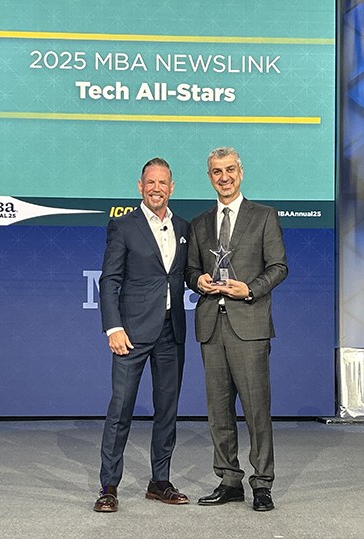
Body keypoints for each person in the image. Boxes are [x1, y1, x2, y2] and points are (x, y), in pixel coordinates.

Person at [185, 147, 287, 512]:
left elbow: (279, 266)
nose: (224, 177)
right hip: (211, 326)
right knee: (218, 410)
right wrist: (198, 280)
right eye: (217, 171)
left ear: (240, 173)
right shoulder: (199, 223)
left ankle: (262, 483)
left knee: (256, 409)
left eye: (230, 170)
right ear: (209, 177)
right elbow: (189, 270)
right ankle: (229, 480)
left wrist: (251, 289)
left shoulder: (264, 216)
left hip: (250, 324)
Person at [94, 157, 190, 513]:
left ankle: (159, 481)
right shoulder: (123, 226)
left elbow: (185, 274)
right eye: (150, 182)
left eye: (162, 182)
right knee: (120, 410)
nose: (156, 188)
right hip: (131, 333)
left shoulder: (183, 227)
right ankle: (108, 486)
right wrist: (113, 326)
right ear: (140, 186)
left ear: (171, 188)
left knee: (167, 410)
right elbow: (109, 280)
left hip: (171, 331)